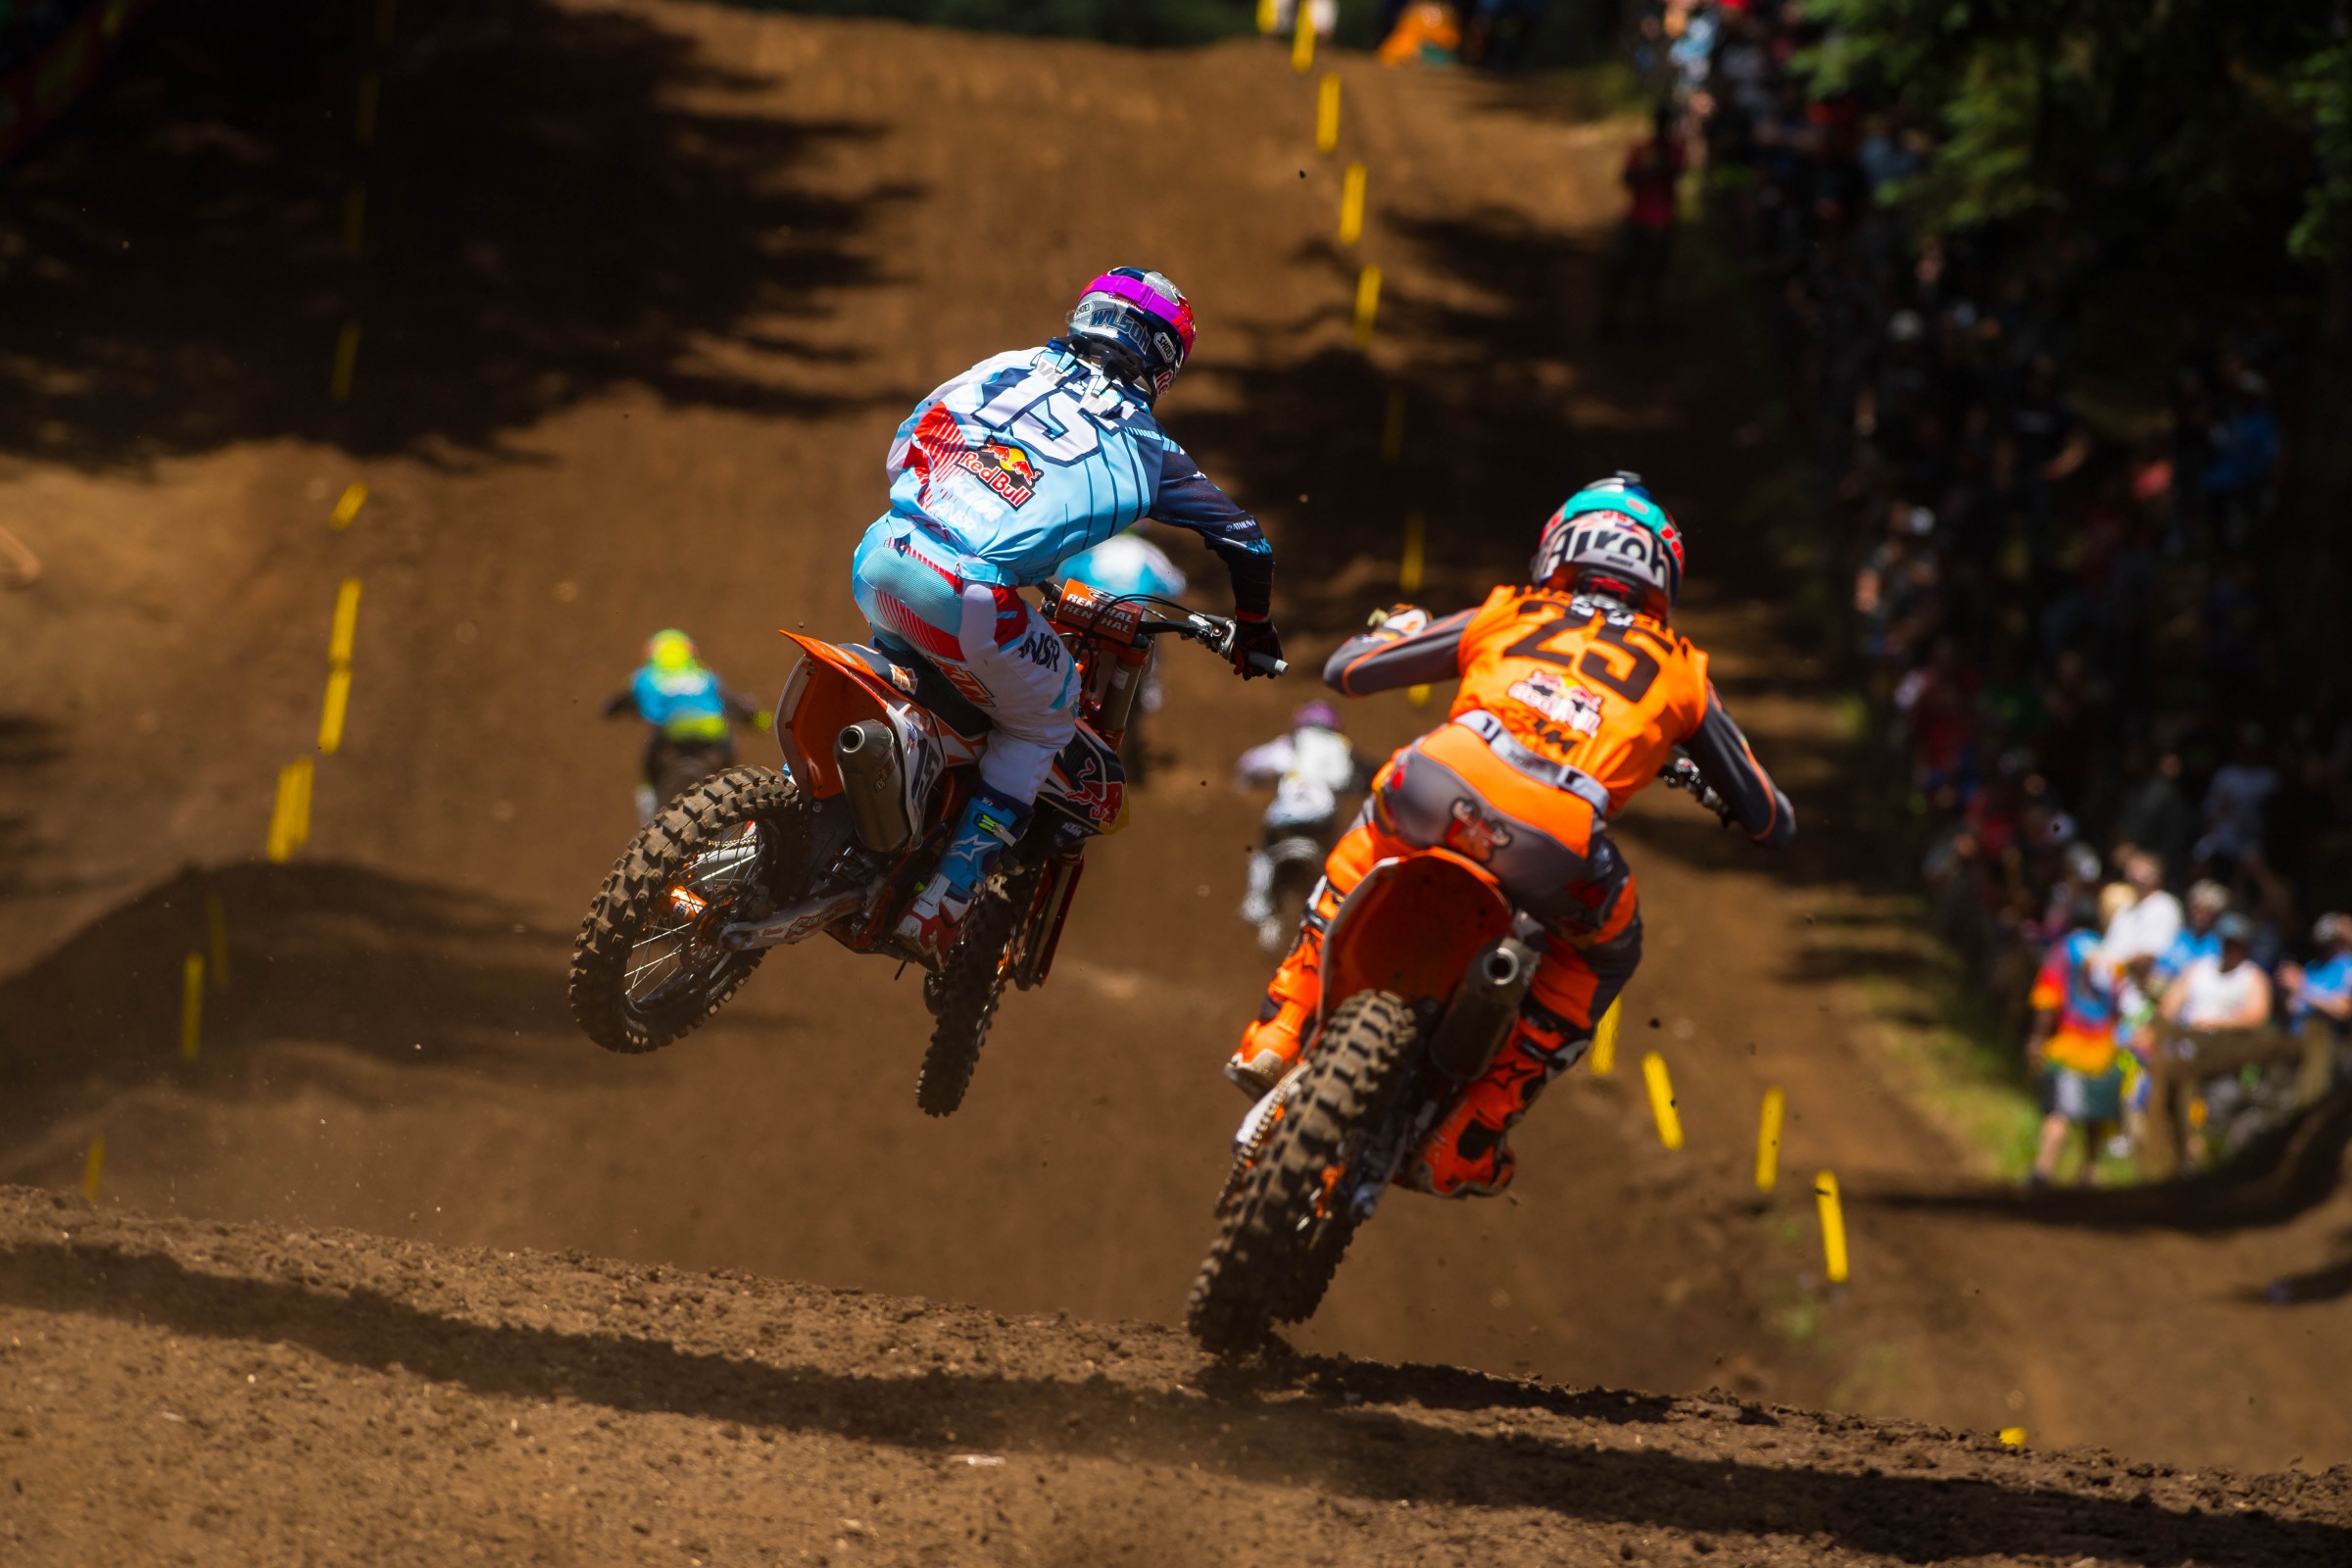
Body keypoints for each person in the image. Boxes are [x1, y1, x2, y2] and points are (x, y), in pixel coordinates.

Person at [1225, 474, 1794, 1197]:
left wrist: (1396, 629)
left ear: (1560, 547)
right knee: (1607, 948)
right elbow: (1772, 819)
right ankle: (1470, 1131)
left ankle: (1282, 1025)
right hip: (1556, 840)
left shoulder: (1510, 612)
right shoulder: (1682, 671)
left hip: (1443, 783)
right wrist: (1711, 777)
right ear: (1662, 573)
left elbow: (1348, 673)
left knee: (1371, 830)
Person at [851, 269, 1281, 961]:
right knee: (1048, 714)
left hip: (883, 550)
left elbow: (907, 440)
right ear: (1163, 358)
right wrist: (1253, 628)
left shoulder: (1008, 366)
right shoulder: (1149, 448)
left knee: (898, 676)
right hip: (969, 594)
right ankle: (941, 902)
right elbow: (1246, 541)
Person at [602, 629, 766, 824]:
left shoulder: (644, 677)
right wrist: (763, 721)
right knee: (729, 779)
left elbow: (611, 707)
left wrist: (614, 709)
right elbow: (741, 708)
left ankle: (649, 827)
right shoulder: (704, 677)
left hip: (668, 750)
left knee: (648, 785)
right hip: (715, 750)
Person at [1235, 702, 1364, 949]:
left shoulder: (1290, 746)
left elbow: (1251, 763)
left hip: (1285, 821)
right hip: (1322, 825)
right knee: (1335, 860)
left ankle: (1256, 904)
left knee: (1264, 852)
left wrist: (1246, 781)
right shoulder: (1342, 750)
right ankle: (1337, 914)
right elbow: (1357, 779)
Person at [2026, 910, 2124, 1187]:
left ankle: (2043, 1169)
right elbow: (2119, 1007)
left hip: (2069, 1045)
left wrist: (2037, 1039)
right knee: (2095, 1117)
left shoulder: (2064, 951)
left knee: (2059, 1112)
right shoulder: (2112, 957)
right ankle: (2090, 1172)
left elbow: (2048, 999)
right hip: (2104, 1050)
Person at [1600, 105, 1688, 337]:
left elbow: (1678, 172)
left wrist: (1654, 167)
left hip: (1657, 221)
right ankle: (1615, 317)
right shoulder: (1643, 148)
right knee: (1624, 270)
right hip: (1644, 218)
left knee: (1651, 274)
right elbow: (1627, 177)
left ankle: (1645, 321)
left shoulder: (1671, 150)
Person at [2101, 849, 2182, 967]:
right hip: (2111, 972)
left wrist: (2117, 965)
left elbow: (2152, 954)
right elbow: (2109, 947)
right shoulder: (2126, 909)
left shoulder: (2165, 906)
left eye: (2140, 868)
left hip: (2140, 978)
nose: (2133, 873)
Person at [2278, 913, 2352, 1041]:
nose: (2326, 948)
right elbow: (2293, 1006)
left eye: (2330, 943)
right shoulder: (2311, 966)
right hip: (2297, 1039)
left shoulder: (2347, 966)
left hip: (2328, 1042)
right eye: (2322, 943)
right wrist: (2286, 991)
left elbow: (2343, 1010)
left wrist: (2302, 990)